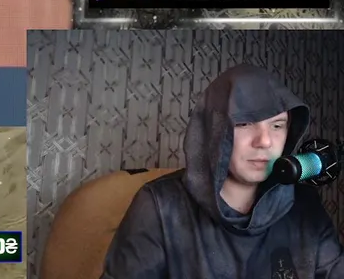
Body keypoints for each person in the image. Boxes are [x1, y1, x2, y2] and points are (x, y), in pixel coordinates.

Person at [103, 64, 344, 278]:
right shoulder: (159, 206)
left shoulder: (305, 204)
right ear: (214, 130)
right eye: (244, 123)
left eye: (277, 125)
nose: (265, 141)